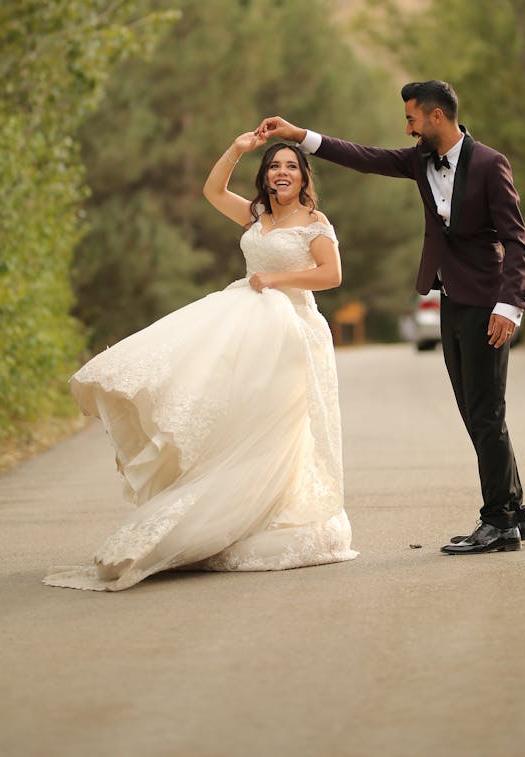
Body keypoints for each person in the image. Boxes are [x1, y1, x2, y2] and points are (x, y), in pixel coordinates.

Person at [43, 132, 357, 591]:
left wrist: (274, 278)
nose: (282, 173)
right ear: (265, 177)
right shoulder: (257, 215)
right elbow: (212, 192)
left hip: (293, 332)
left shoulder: (315, 222)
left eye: (290, 166)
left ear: (304, 176)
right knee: (239, 418)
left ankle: (269, 511)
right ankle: (218, 509)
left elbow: (331, 275)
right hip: (251, 328)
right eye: (274, 167)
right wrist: (238, 148)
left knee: (278, 426)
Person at [259, 79, 525, 556]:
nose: (407, 128)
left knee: (487, 413)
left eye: (411, 118)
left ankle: (499, 522)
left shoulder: (490, 164)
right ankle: (514, 509)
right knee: (474, 410)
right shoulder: (419, 161)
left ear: (436, 118)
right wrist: (300, 135)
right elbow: (361, 156)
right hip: (450, 296)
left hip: (488, 302)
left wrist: (509, 306)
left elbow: (516, 240)